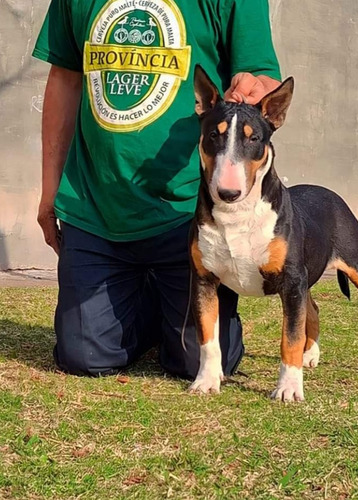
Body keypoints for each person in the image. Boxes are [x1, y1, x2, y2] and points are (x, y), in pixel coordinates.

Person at [32, 0, 281, 379]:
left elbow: (262, 79)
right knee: (84, 357)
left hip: (187, 218)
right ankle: (144, 307)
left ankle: (158, 306)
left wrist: (257, 86)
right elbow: (65, 79)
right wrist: (50, 192)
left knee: (201, 363)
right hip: (95, 208)